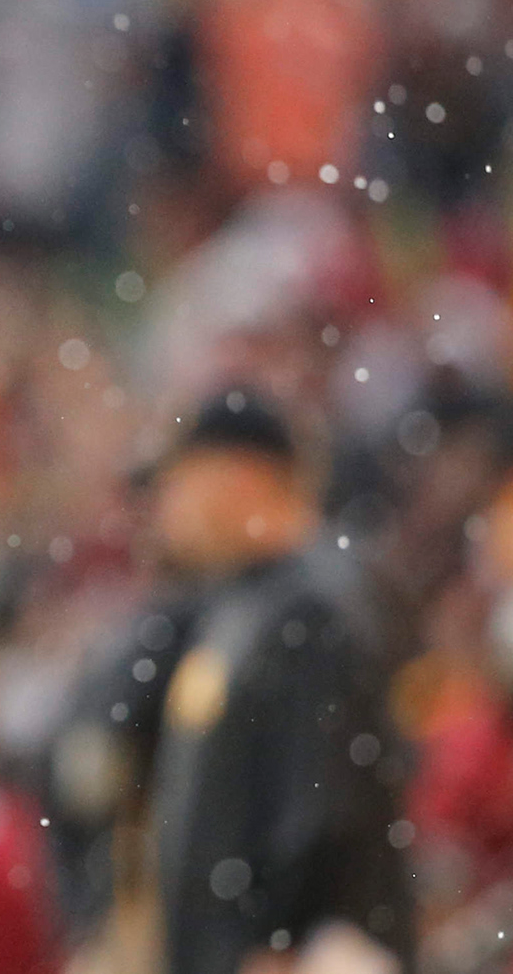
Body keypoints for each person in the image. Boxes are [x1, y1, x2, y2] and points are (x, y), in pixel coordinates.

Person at [142, 391, 413, 974]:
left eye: (181, 482)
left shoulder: (314, 605)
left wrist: (280, 935)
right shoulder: (242, 605)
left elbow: (323, 795)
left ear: (240, 480)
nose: (166, 506)